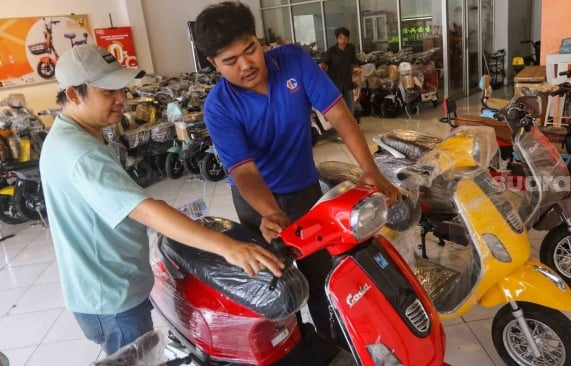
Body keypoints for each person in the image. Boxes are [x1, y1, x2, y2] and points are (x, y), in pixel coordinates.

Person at [40, 44, 285, 356]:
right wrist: (229, 247)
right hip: (112, 299)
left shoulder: (71, 135)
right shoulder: (81, 152)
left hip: (108, 285)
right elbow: (144, 210)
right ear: (74, 95)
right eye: (107, 92)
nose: (121, 100)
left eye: (122, 89)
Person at [194, 1, 400, 350]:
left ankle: (332, 344)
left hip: (305, 189)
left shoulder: (293, 61)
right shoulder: (219, 107)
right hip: (256, 203)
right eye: (231, 61)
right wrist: (269, 212)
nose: (247, 65)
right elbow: (244, 171)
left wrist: (371, 171)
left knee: (320, 274)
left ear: (259, 41)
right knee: (276, 283)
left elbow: (340, 116)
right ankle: (289, 345)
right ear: (213, 63)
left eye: (251, 50)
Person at [319, 27, 362, 119]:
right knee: (339, 108)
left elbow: (354, 60)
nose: (344, 40)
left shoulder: (350, 48)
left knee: (351, 107)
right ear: (337, 39)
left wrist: (358, 66)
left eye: (346, 38)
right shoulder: (331, 51)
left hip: (347, 83)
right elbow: (324, 63)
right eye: (341, 38)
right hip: (335, 84)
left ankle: (350, 127)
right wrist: (322, 66)